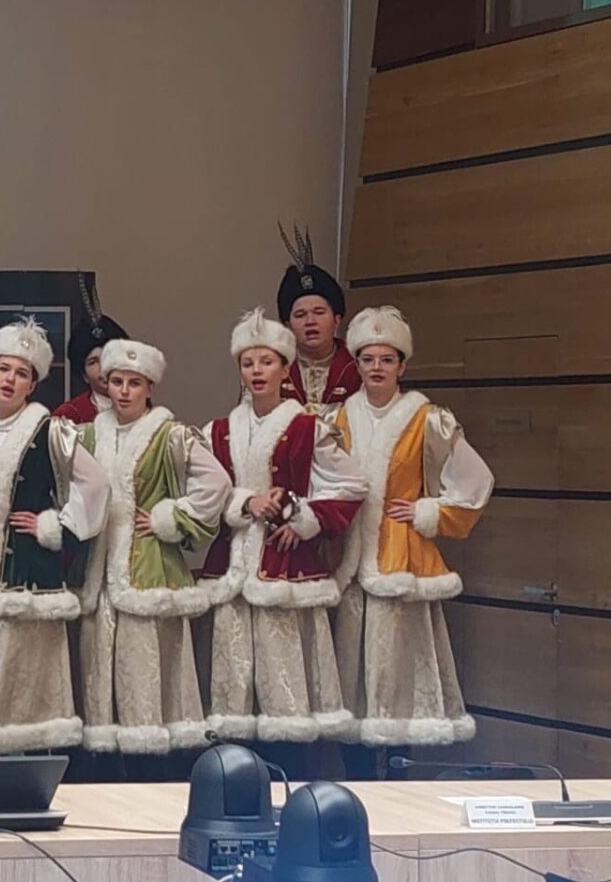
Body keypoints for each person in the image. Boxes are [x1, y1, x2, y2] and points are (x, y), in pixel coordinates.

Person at [0, 320, 111, 755]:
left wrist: (56, 525)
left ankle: (25, 760)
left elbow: (96, 485)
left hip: (26, 573)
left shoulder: (50, 430)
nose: (10, 380)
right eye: (4, 369)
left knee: (23, 676)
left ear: (32, 384)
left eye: (21, 373)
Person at [201, 309, 367, 744]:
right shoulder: (218, 431)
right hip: (234, 565)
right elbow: (201, 493)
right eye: (248, 363)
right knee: (232, 675)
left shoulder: (308, 428)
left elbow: (352, 485)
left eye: (267, 362)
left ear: (284, 367)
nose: (257, 371)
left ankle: (288, 766)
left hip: (285, 565)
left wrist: (302, 517)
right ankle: (234, 765)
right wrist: (244, 502)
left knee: (284, 678)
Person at [333, 306, 492, 752]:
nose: (377, 368)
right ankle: (355, 767)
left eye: (387, 359)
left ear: (402, 366)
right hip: (350, 559)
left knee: (398, 671)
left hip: (401, 558)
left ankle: (397, 765)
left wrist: (428, 510)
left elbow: (476, 481)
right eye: (368, 359)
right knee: (352, 674)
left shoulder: (427, 419)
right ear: (356, 364)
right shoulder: (336, 420)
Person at [76, 339, 230, 764]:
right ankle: (106, 766)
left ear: (149, 388)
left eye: (134, 383)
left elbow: (216, 483)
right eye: (117, 382)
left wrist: (170, 517)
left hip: (149, 566)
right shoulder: (89, 434)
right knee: (101, 667)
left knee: (145, 668)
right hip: (100, 567)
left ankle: (154, 764)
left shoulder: (170, 435)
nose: (124, 391)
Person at [277, 224, 359, 415]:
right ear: (287, 325)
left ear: (337, 319)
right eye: (300, 315)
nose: (310, 321)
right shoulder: (271, 365)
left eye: (319, 312)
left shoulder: (359, 365)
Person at [55, 274, 126, 425]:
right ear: (84, 375)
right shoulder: (69, 415)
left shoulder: (143, 411)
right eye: (93, 362)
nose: (104, 367)